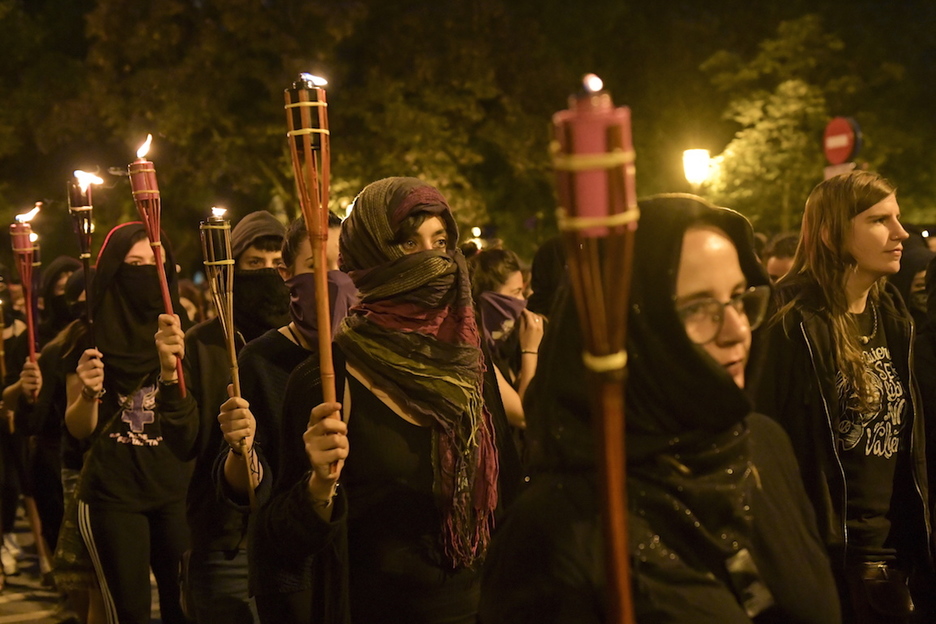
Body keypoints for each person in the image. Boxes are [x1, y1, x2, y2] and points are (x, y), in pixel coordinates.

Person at [479, 194, 840, 623]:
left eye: (740, 297)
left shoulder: (761, 444)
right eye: (699, 308)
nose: (737, 330)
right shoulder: (561, 526)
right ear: (634, 327)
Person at [241, 177, 522, 623]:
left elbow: (507, 499)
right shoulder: (328, 379)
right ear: (371, 255)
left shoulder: (469, 366)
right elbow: (276, 544)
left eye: (441, 241)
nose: (432, 259)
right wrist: (317, 486)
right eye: (410, 244)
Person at [749, 171, 933, 623]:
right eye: (878, 220)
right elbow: (764, 445)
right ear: (832, 234)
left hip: (893, 559)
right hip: (828, 562)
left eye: (897, 217)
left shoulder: (893, 317)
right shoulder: (789, 323)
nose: (900, 233)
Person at [65, 222, 195, 624]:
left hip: (175, 491)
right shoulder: (88, 332)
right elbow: (79, 428)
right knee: (129, 611)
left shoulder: (180, 328)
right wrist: (88, 392)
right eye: (131, 262)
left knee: (185, 606)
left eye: (151, 262)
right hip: (113, 494)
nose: (142, 271)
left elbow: (191, 416)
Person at [177, 209, 287, 624]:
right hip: (225, 543)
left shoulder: (307, 341)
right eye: (253, 264)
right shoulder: (202, 344)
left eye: (278, 264)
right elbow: (183, 440)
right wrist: (172, 381)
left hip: (290, 536)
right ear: (231, 269)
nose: (267, 274)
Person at [468, 248, 544, 428]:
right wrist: (530, 349)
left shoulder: (501, 343)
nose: (523, 301)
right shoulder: (474, 351)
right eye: (515, 292)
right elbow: (524, 415)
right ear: (490, 299)